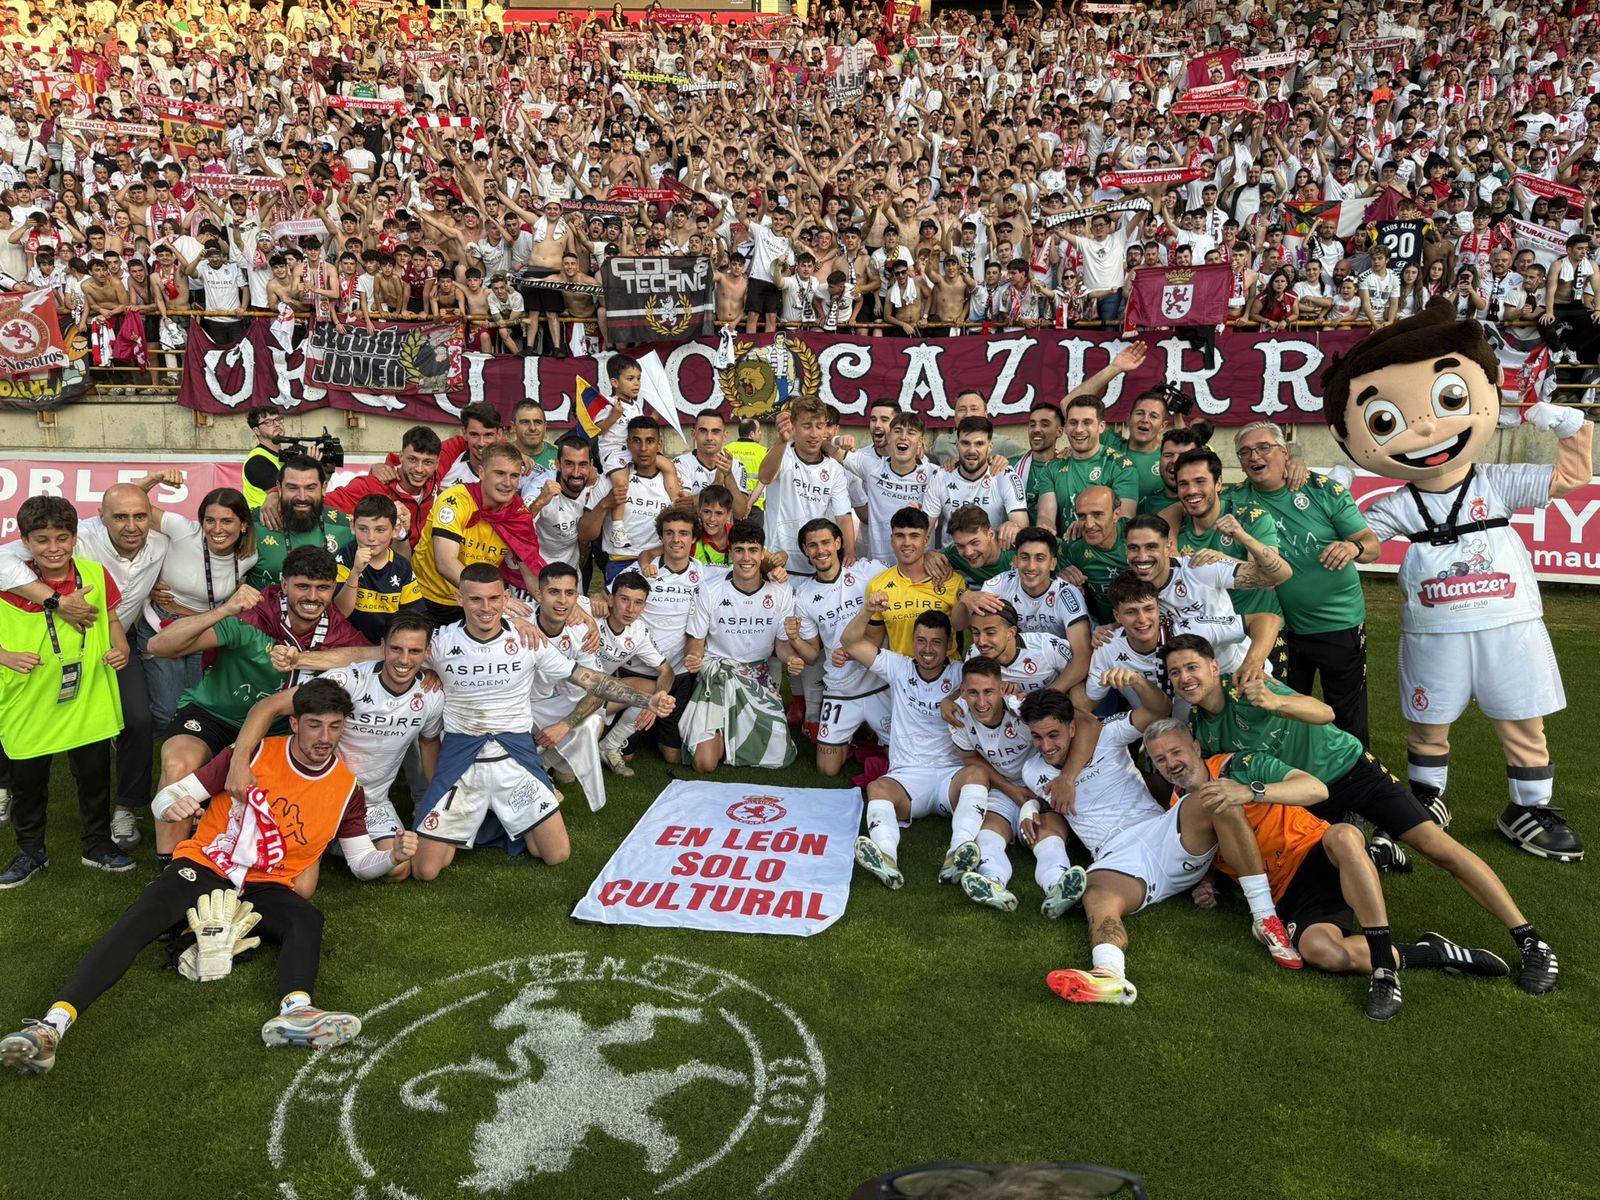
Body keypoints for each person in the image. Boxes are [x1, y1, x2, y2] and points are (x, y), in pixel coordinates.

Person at [0, 679, 402, 1074]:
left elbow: (361, 862)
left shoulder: (348, 788)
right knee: (142, 917)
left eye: (334, 726)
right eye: (314, 724)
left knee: (307, 918)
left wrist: (392, 856)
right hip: (207, 865)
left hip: (267, 885)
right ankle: (52, 1026)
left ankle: (296, 1010)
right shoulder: (253, 754)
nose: (324, 737)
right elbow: (171, 795)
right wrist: (168, 808)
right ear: (294, 723)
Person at [1321, 301, 1591, 862]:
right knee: (1428, 720)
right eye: (1386, 422)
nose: (1424, 427)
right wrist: (1334, 506)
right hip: (1434, 627)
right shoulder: (1398, 503)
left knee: (1520, 717)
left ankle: (1529, 805)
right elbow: (1360, 537)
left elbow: (1569, 478)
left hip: (1508, 621)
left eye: (1447, 400)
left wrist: (1574, 428)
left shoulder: (1497, 482)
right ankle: (1426, 798)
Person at [1166, 635, 1559, 996]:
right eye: (1176, 672)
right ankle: (1385, 911)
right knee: (1337, 853)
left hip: (1349, 771)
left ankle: (1530, 941)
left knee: (1437, 848)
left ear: (1213, 667)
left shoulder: (1249, 687)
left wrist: (1276, 702)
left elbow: (1324, 712)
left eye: (1192, 667)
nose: (1185, 678)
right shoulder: (1202, 731)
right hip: (1302, 796)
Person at [1143, 720, 1511, 1022]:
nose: (1170, 763)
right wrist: (1207, 883)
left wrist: (1251, 791)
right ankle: (1436, 953)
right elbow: (1210, 856)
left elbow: (1312, 787)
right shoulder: (1179, 811)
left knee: (1347, 837)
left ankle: (1384, 968)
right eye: (1160, 760)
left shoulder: (1240, 764)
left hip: (1318, 850)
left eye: (1176, 751)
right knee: (1323, 953)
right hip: (1287, 891)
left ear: (1195, 747)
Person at [1022, 686, 1303, 1008]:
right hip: (1115, 858)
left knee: (1215, 797)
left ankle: (1265, 917)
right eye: (1037, 738)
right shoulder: (1033, 770)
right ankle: (1109, 973)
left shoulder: (1108, 734)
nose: (1046, 746)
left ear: (1073, 726)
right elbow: (1046, 804)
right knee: (1096, 897)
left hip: (1163, 831)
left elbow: (1156, 710)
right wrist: (1030, 809)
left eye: (1053, 735)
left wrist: (1133, 680)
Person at [405, 563, 669, 881]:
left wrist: (646, 699)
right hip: (465, 757)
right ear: (459, 598)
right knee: (425, 870)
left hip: (515, 754)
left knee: (557, 854)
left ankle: (494, 819)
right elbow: (385, 656)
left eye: (492, 599)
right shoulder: (441, 643)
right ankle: (484, 818)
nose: (485, 608)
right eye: (475, 600)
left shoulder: (529, 640)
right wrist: (327, 658)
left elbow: (588, 678)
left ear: (505, 598)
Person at [146, 546, 370, 864]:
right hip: (213, 712)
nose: (312, 596)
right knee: (178, 766)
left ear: (334, 589)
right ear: (284, 583)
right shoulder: (253, 616)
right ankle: (171, 867)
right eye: (302, 586)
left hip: (273, 728)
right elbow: (159, 646)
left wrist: (306, 659)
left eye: (322, 588)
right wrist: (224, 610)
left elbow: (374, 653)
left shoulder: (336, 630)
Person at [0, 481, 167, 852]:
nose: (53, 547)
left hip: (90, 683)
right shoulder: (12, 577)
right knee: (28, 769)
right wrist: (7, 655)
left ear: (75, 538)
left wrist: (120, 644)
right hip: (30, 688)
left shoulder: (95, 571)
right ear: (26, 542)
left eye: (61, 538)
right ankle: (28, 847)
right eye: (42, 540)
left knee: (102, 762)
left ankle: (107, 833)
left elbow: (111, 619)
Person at [224, 615, 442, 883]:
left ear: (427, 653)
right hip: (315, 795)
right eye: (396, 649)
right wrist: (239, 762)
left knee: (397, 868)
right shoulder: (349, 679)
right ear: (383, 646)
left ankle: (333, 842)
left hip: (370, 803)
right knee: (288, 870)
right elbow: (267, 706)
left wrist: (436, 799)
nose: (404, 660)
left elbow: (429, 743)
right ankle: (326, 839)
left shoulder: (431, 694)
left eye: (415, 651)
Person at [1226, 422, 1380, 745]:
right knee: (1289, 714)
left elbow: (1372, 544)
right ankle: (1299, 787)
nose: (1255, 456)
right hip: (1279, 630)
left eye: (1264, 447)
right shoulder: (1235, 500)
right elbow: (1191, 492)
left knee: (1346, 715)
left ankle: (1356, 785)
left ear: (1284, 453)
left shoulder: (1323, 490)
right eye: (1245, 451)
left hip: (1337, 622)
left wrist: (1353, 547)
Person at [942, 656, 1093, 916]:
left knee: (1048, 837)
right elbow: (970, 758)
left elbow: (1081, 726)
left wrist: (1055, 785)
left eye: (989, 692)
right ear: (962, 692)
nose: (981, 702)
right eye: (973, 693)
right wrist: (1011, 791)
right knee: (988, 836)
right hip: (1002, 788)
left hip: (1042, 785)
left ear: (1003, 688)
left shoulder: (1022, 709)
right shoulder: (957, 714)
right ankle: (992, 882)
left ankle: (1058, 887)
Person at [838, 604, 966, 890]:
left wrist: (955, 695)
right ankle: (886, 858)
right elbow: (849, 642)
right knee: (877, 788)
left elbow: (994, 672)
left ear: (949, 644)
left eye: (936, 642)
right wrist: (869, 610)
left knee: (978, 777)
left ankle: (958, 853)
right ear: (912, 642)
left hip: (951, 777)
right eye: (921, 641)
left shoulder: (962, 673)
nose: (927, 649)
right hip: (908, 779)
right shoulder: (899, 666)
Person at [680, 523, 802, 772]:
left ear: (761, 553)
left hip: (758, 677)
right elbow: (696, 642)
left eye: (753, 550)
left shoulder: (781, 591)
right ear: (731, 553)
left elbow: (781, 646)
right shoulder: (709, 590)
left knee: (778, 757)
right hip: (717, 677)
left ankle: (729, 730)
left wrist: (791, 660)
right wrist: (693, 657)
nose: (746, 558)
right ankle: (721, 730)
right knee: (704, 764)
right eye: (739, 550)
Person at [1119, 513, 1289, 686]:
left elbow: (1281, 575)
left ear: (1168, 546)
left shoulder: (1199, 567)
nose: (1142, 556)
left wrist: (1242, 537)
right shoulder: (1133, 589)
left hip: (1239, 673)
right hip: (1190, 684)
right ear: (1126, 549)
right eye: (1134, 548)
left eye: (1151, 547)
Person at [787, 519, 890, 777]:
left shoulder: (868, 571)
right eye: (812, 545)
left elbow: (907, 573)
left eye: (825, 543)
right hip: (841, 687)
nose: (820, 550)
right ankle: (856, 736)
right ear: (805, 551)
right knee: (827, 769)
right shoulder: (805, 595)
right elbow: (811, 656)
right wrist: (795, 639)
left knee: (900, 761)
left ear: (838, 543)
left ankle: (865, 735)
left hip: (880, 683)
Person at [413, 443, 543, 626]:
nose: (507, 483)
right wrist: (490, 598)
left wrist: (564, 605)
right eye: (499, 473)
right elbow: (445, 562)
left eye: (514, 476)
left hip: (474, 604)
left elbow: (531, 575)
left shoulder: (519, 514)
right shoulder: (455, 499)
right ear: (482, 472)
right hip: (424, 599)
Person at [758, 398, 857, 579]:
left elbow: (843, 516)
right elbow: (765, 477)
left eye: (819, 426)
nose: (814, 434)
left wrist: (849, 551)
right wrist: (781, 440)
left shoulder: (834, 468)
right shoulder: (783, 453)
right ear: (794, 426)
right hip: (777, 564)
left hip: (816, 567)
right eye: (807, 426)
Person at [580, 415, 677, 583]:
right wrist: (604, 505)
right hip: (621, 563)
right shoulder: (609, 480)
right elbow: (584, 533)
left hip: (662, 562)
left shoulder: (673, 479)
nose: (643, 448)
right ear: (628, 443)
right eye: (637, 441)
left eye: (650, 441)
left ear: (659, 444)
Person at [866, 507, 965, 656]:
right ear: (892, 540)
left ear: (926, 541)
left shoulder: (952, 581)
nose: (907, 543)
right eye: (900, 536)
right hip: (902, 675)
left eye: (914, 536)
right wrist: (848, 653)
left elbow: (967, 630)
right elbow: (873, 641)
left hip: (947, 674)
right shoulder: (877, 585)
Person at [246, 455, 355, 590]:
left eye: (310, 488)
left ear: (323, 488)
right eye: (292, 488)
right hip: (263, 610)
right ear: (279, 489)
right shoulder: (252, 524)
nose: (302, 497)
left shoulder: (347, 527)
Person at [1038, 396, 1138, 533]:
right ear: (1065, 427)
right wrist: (1044, 528)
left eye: (1087, 422)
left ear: (1101, 427)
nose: (1079, 429)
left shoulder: (1121, 466)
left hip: (1107, 552)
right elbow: (1045, 515)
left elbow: (1124, 520)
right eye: (1073, 422)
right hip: (1068, 550)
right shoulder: (1052, 467)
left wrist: (1086, 524)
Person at [334, 495, 426, 644]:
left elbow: (414, 618)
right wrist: (355, 572)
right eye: (363, 529)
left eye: (380, 530)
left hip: (387, 647)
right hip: (345, 643)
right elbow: (340, 612)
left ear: (395, 531)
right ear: (352, 527)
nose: (371, 537)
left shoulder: (402, 567)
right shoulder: (344, 558)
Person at [242, 407, 287, 511]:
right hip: (262, 521)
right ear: (256, 430)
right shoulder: (257, 460)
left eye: (278, 419)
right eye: (268, 422)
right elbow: (285, 494)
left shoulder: (281, 455)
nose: (277, 424)